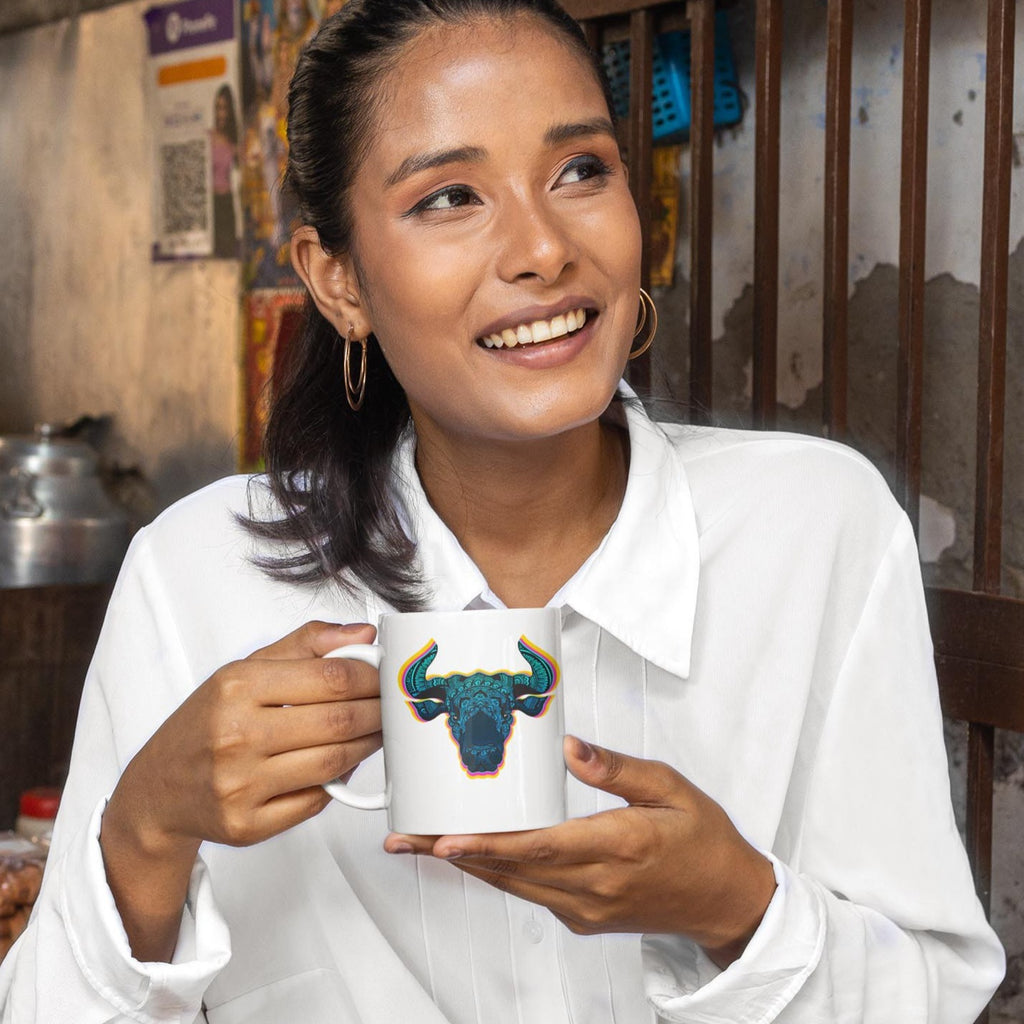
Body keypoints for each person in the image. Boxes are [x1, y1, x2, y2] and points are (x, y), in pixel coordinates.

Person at [0, 1, 1005, 1020]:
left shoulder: (814, 526)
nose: (541, 248)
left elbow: (934, 992)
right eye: (449, 196)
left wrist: (736, 906)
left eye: (580, 171)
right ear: (337, 279)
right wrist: (146, 829)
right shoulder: (198, 576)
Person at [209, 84, 240, 259]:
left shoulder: (233, 140)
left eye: (224, 108)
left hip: (227, 205)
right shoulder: (208, 137)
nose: (220, 113)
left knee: (229, 255)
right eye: (218, 108)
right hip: (212, 206)